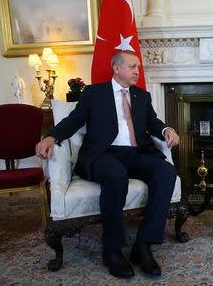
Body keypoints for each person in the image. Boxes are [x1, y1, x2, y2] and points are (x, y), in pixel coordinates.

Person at [35, 50, 180, 279]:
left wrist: (166, 129)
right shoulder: (94, 93)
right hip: (103, 153)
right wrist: (51, 137)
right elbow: (74, 120)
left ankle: (143, 246)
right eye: (132, 67)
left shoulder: (142, 95)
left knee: (166, 171)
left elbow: (152, 122)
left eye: (138, 68)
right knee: (115, 174)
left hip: (136, 152)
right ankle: (111, 248)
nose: (136, 71)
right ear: (116, 68)